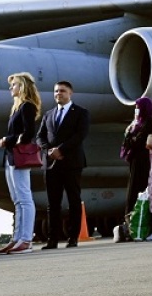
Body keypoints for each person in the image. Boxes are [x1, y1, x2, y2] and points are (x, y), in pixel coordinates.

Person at [36, 80, 91, 250]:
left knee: (74, 200)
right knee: (53, 203)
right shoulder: (49, 114)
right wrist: (49, 150)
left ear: (70, 93)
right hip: (51, 164)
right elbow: (40, 136)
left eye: (62, 91)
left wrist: (61, 149)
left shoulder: (81, 112)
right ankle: (52, 239)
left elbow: (80, 135)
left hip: (71, 162)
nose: (58, 94)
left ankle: (73, 237)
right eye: (56, 91)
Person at [0, 72, 41, 255]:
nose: (10, 88)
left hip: (18, 155)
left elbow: (29, 132)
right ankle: (17, 237)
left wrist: (8, 139)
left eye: (13, 85)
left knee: (24, 197)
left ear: (21, 87)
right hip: (11, 157)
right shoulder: (17, 107)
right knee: (17, 199)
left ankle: (26, 239)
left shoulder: (27, 106)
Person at [121, 96, 152, 213]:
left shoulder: (148, 123)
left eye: (138, 107)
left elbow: (137, 142)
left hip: (142, 160)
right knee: (134, 187)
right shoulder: (137, 123)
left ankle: (134, 214)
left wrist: (128, 135)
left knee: (137, 187)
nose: (136, 110)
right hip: (135, 159)